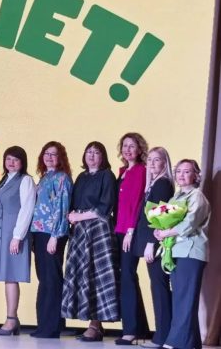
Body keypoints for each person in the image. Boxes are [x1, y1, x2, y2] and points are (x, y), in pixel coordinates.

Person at [62, 141, 119, 342]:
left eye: (96, 152)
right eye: (89, 152)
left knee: (97, 275)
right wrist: (72, 217)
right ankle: (93, 324)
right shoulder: (81, 177)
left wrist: (79, 217)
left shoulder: (107, 176)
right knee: (82, 275)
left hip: (98, 229)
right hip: (80, 231)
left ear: (103, 156)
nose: (92, 156)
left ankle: (95, 325)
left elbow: (105, 207)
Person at [154, 159, 210, 349]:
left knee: (185, 299)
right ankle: (192, 344)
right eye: (178, 171)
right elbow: (166, 222)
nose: (181, 175)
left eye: (187, 171)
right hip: (176, 251)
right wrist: (159, 230)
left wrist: (166, 232)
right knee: (181, 298)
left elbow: (189, 223)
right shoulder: (175, 198)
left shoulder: (197, 196)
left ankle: (175, 342)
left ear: (196, 175)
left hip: (191, 252)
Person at [29, 141, 73, 339]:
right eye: (46, 153)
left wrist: (55, 236)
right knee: (45, 279)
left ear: (60, 158)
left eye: (54, 154)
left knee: (52, 279)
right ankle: (44, 324)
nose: (49, 157)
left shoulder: (62, 178)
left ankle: (51, 327)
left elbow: (62, 208)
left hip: (52, 234)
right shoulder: (45, 177)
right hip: (39, 233)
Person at [0, 146, 35, 336]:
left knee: (11, 276)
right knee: (7, 276)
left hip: (14, 232)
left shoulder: (25, 180)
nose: (11, 163)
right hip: (1, 233)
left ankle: (11, 319)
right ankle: (12, 318)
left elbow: (27, 209)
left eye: (15, 160)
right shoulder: (4, 180)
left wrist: (17, 236)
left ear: (22, 162)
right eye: (8, 159)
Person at [132, 147, 174, 349]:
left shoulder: (163, 184)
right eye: (149, 159)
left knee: (159, 287)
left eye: (157, 160)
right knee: (157, 286)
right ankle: (162, 334)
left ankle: (162, 336)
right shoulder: (153, 184)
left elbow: (160, 216)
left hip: (155, 244)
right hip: (151, 242)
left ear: (165, 163)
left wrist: (151, 243)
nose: (151, 163)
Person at [114, 133, 149, 345]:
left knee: (127, 277)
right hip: (118, 230)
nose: (127, 150)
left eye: (132, 146)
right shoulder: (122, 172)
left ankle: (130, 331)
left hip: (130, 232)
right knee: (128, 277)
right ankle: (141, 328)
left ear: (140, 149)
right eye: (124, 146)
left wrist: (130, 231)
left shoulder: (141, 171)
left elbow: (137, 203)